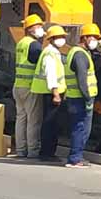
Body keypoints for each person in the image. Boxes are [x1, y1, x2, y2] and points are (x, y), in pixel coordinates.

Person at [64, 23, 101, 168]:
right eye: (93, 37)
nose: (95, 41)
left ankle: (76, 157)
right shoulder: (80, 55)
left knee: (79, 127)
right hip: (80, 98)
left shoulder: (77, 52)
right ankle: (75, 158)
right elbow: (82, 79)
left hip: (75, 96)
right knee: (81, 128)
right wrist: (87, 98)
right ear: (84, 37)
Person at [30, 24, 68, 162]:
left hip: (52, 92)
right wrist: (56, 93)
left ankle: (49, 152)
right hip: (51, 93)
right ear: (51, 39)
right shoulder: (50, 54)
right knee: (50, 123)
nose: (62, 39)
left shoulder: (53, 52)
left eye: (63, 37)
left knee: (51, 123)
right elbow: (50, 74)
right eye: (59, 37)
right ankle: (47, 153)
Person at [14, 15, 45, 158]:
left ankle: (21, 150)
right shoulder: (34, 45)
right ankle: (33, 151)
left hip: (18, 86)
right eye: (38, 26)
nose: (41, 29)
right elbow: (43, 59)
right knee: (33, 120)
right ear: (30, 29)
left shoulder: (21, 43)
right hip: (29, 87)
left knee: (21, 118)